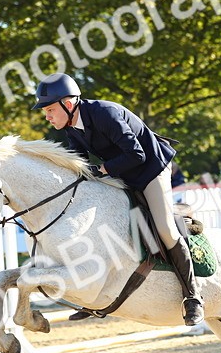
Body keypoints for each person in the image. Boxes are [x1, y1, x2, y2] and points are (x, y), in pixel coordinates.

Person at [32, 72, 203, 325]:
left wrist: (102, 170)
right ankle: (93, 297)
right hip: (123, 172)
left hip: (150, 169)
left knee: (165, 229)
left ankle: (192, 296)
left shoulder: (104, 113)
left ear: (68, 105)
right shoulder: (71, 129)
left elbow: (137, 155)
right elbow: (81, 166)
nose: (46, 116)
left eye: (49, 110)